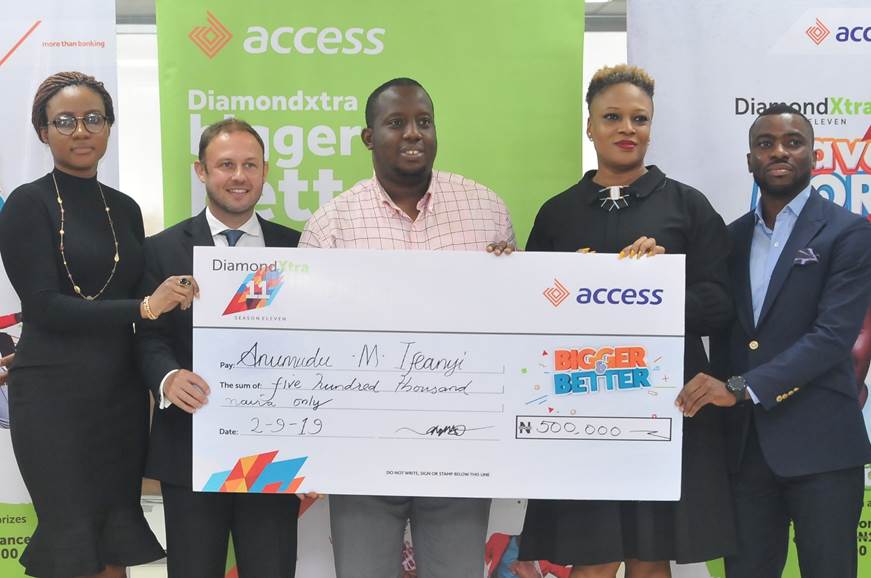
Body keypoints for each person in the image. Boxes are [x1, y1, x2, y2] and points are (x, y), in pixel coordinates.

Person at [519, 64, 736, 578]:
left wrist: (658, 286)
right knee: (592, 558)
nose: (626, 128)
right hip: (581, 405)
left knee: (649, 556)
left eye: (639, 118)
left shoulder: (688, 206)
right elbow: (531, 311)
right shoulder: (557, 213)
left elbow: (719, 304)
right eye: (612, 117)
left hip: (662, 405)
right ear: (589, 126)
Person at [300, 77, 515, 578]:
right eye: (396, 123)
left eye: (424, 122)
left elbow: (510, 321)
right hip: (361, 453)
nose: (413, 133)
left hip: (460, 448)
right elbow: (308, 347)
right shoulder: (331, 225)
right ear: (368, 137)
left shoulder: (486, 210)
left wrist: (510, 273)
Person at [0, 71, 193, 578]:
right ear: (43, 131)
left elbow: (138, 294)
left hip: (119, 398)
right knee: (72, 542)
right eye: (65, 121)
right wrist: (145, 307)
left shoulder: (125, 209)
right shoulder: (26, 203)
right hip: (53, 399)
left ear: (109, 126)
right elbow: (44, 306)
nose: (81, 130)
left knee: (115, 538)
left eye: (93, 118)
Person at [676, 103, 871, 578]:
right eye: (765, 144)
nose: (779, 152)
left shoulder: (849, 233)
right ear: (750, 160)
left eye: (792, 142)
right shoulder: (730, 238)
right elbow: (709, 315)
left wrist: (742, 387)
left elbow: (831, 338)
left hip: (823, 447)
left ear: (814, 157)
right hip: (744, 451)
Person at [136, 118, 302, 578]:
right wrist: (168, 376)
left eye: (250, 165)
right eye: (226, 165)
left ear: (265, 171)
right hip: (191, 447)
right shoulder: (160, 250)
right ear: (201, 171)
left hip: (273, 452)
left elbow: (317, 347)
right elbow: (147, 337)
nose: (239, 176)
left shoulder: (297, 248)